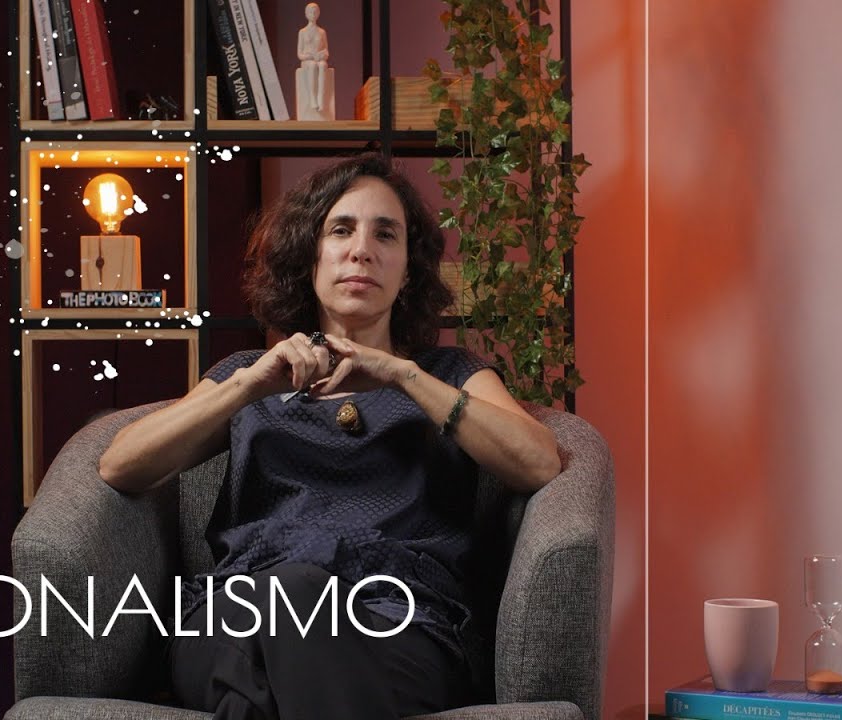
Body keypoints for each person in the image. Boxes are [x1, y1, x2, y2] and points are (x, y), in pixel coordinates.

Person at [98, 153, 562, 720]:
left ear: (407, 270)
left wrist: (403, 375)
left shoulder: (447, 373)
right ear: (310, 256)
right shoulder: (249, 376)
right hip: (240, 614)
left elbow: (539, 462)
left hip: (394, 624)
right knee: (279, 606)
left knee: (257, 679)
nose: (361, 249)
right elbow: (121, 466)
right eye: (341, 230)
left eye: (385, 234)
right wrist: (247, 386)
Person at [296, 2, 329, 112]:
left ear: (318, 13)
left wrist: (322, 55)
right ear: (306, 14)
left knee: (323, 65)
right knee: (312, 65)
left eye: (315, 12)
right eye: (311, 12)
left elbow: (326, 51)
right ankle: (312, 97)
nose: (313, 14)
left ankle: (321, 98)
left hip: (318, 59)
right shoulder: (302, 32)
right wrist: (307, 56)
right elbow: (299, 54)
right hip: (308, 61)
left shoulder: (322, 32)